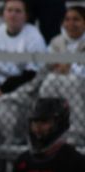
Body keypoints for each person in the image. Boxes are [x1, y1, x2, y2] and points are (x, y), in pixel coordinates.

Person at [0, 0, 46, 146]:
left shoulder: (33, 37)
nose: (13, 14)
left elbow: (31, 75)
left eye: (18, 11)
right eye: (9, 10)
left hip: (20, 91)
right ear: (4, 14)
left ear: (26, 16)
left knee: (6, 111)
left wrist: (2, 90)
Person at [38, 5, 85, 145]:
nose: (71, 23)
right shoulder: (56, 41)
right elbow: (47, 65)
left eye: (76, 19)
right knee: (50, 80)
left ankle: (77, 134)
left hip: (80, 86)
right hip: (56, 84)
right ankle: (48, 129)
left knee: (69, 81)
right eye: (67, 19)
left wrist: (69, 67)